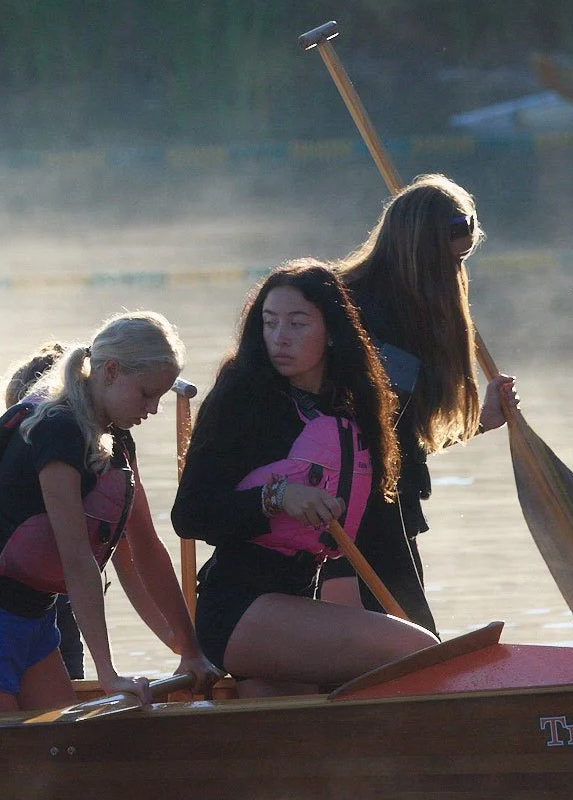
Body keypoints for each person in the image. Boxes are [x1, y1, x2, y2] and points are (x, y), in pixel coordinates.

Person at [0, 312, 214, 714]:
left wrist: (190, 649)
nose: (152, 409)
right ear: (110, 371)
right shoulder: (57, 430)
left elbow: (147, 549)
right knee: (11, 767)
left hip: (36, 626)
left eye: (160, 398)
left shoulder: (117, 438)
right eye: (147, 394)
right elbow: (77, 558)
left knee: (62, 759)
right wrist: (107, 673)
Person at [174, 261, 435, 694]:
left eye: (298, 324)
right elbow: (190, 515)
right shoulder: (241, 395)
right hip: (237, 609)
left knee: (310, 698)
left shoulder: (358, 404)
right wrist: (274, 496)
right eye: (270, 323)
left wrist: (416, 617)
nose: (280, 338)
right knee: (413, 651)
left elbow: (379, 527)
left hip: (300, 598)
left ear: (331, 331)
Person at [325, 175, 514, 632]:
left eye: (463, 259)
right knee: (406, 641)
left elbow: (403, 434)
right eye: (447, 260)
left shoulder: (423, 315)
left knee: (415, 636)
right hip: (335, 512)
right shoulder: (341, 304)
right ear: (416, 250)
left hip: (393, 504)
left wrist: (479, 422)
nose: (455, 273)